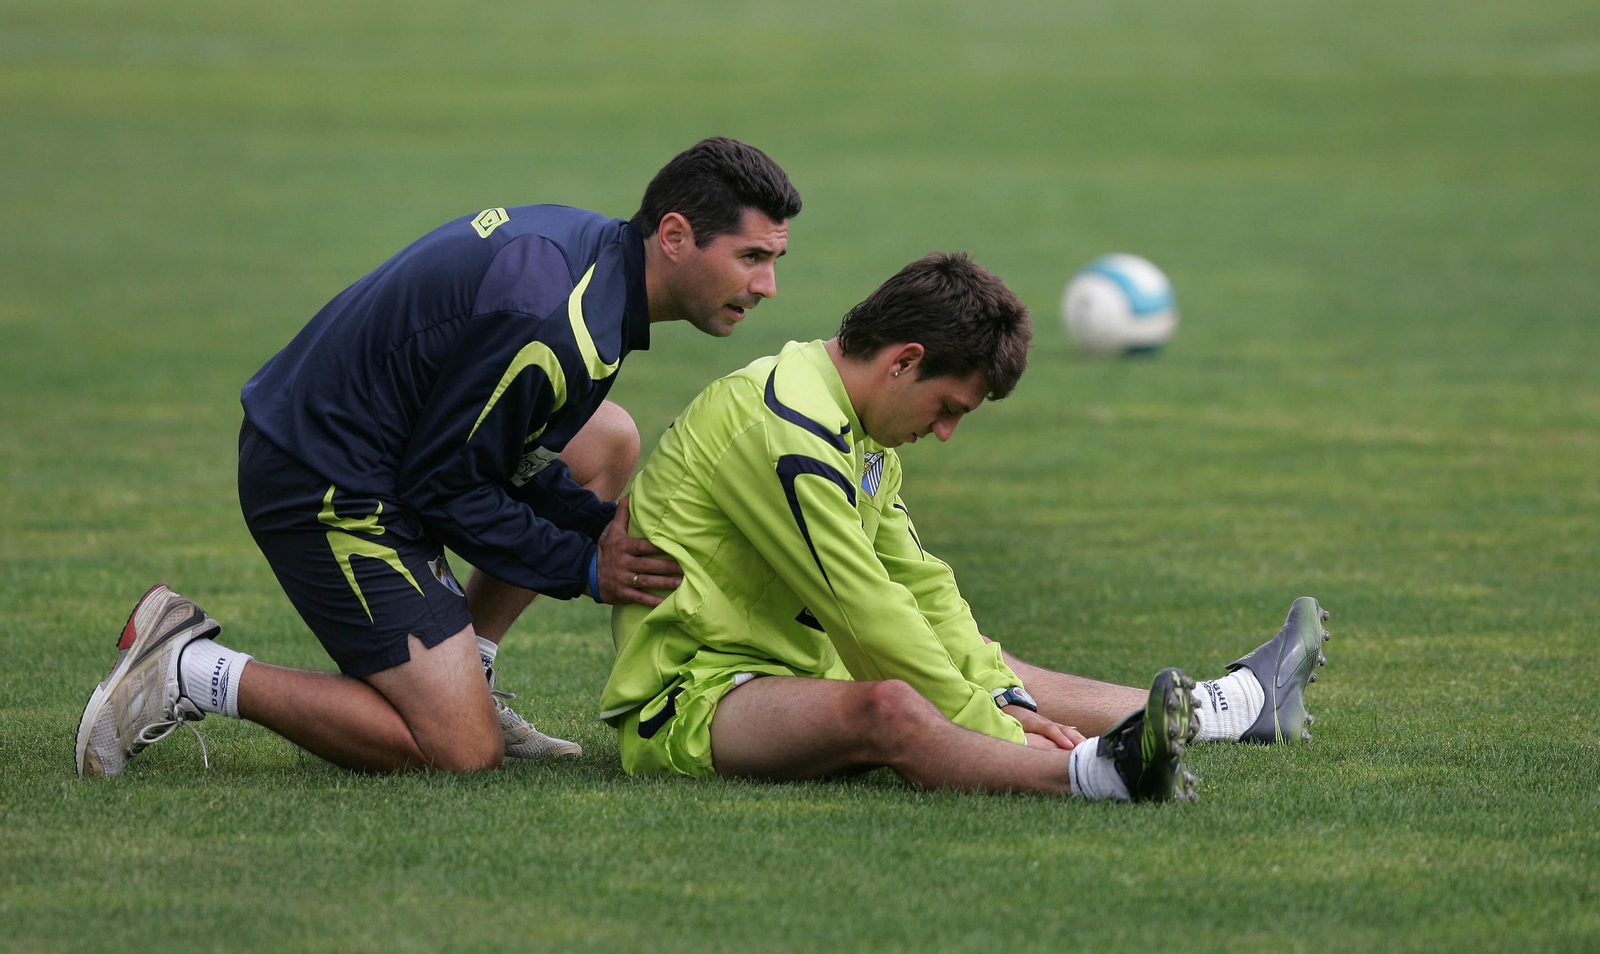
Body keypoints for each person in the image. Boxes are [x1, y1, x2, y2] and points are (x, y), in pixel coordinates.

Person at [75, 137, 802, 777]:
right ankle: (187, 667)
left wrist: (599, 527)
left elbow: (497, 454)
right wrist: (584, 565)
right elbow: (446, 487)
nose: (767, 285)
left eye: (773, 260)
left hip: (384, 447)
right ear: (674, 235)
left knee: (607, 438)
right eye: (751, 258)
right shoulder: (554, 324)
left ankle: (468, 675)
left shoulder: (599, 265)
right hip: (322, 476)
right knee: (459, 750)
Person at [599, 253, 1331, 801]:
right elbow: (867, 611)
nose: (945, 431)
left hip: (790, 665)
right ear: (905, 361)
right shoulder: (786, 429)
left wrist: (1000, 692)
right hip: (693, 698)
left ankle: (1236, 706)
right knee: (889, 703)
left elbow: (920, 584)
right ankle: (1100, 775)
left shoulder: (856, 430)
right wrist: (997, 725)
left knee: (978, 658)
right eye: (948, 407)